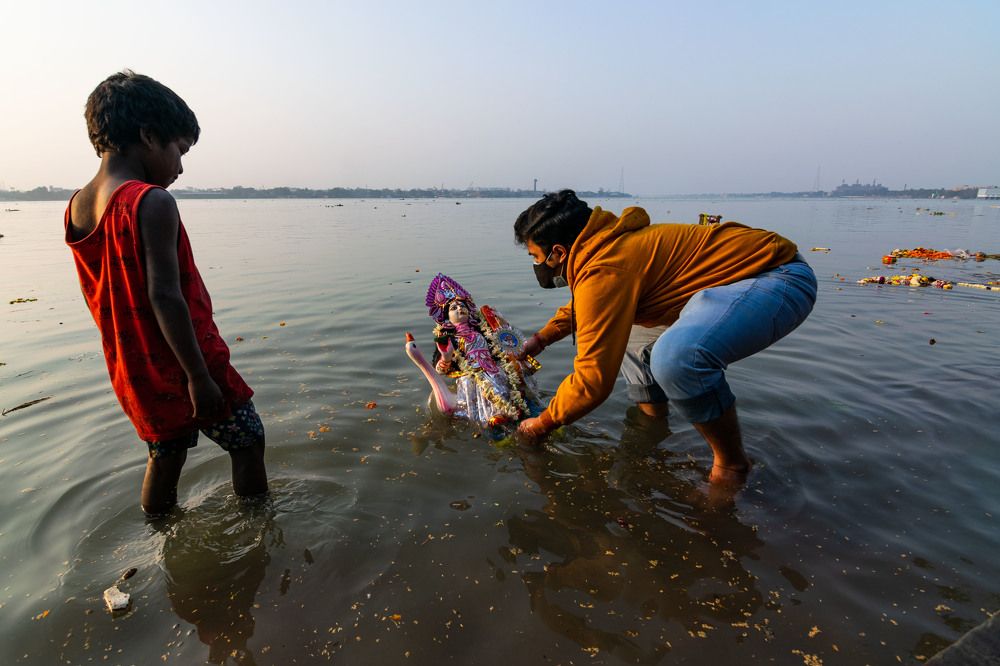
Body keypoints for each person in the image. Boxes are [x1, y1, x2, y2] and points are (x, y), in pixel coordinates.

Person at [64, 71, 267, 515]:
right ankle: (259, 530)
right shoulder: (150, 201)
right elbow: (166, 297)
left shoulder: (77, 205)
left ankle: (162, 538)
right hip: (188, 360)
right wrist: (198, 376)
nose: (180, 166)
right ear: (149, 136)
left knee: (166, 454)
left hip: (134, 369)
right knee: (248, 441)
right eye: (180, 150)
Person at [513, 190, 817, 486]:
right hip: (723, 287)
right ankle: (652, 421)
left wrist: (540, 425)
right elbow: (590, 305)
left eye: (536, 256)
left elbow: (592, 381)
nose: (538, 266)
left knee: (676, 358)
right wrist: (541, 340)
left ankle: (731, 466)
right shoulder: (605, 250)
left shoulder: (606, 265)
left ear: (557, 253)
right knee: (630, 333)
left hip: (776, 276)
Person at [424, 273, 542, 430]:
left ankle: (528, 410)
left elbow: (502, 343)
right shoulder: (449, 338)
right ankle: (495, 421)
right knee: (480, 389)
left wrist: (500, 323)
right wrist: (446, 356)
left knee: (514, 379)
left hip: (494, 368)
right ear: (446, 317)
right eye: (453, 308)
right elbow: (440, 371)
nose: (459, 308)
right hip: (474, 376)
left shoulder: (482, 330)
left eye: (462, 306)